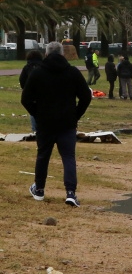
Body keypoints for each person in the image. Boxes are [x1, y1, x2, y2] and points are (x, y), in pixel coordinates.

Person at [21, 41, 92, 207]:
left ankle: (39, 189)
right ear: (62, 54)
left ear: (46, 54)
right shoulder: (72, 72)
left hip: (45, 122)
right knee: (68, 157)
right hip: (67, 122)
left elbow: (25, 99)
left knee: (43, 155)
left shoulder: (38, 73)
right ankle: (70, 192)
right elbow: (86, 96)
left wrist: (37, 114)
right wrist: (76, 115)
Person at [19, 50, 44, 133]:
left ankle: (34, 130)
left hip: (32, 94)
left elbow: (22, 80)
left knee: (33, 111)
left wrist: (26, 89)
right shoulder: (43, 66)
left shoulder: (27, 67)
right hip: (43, 93)